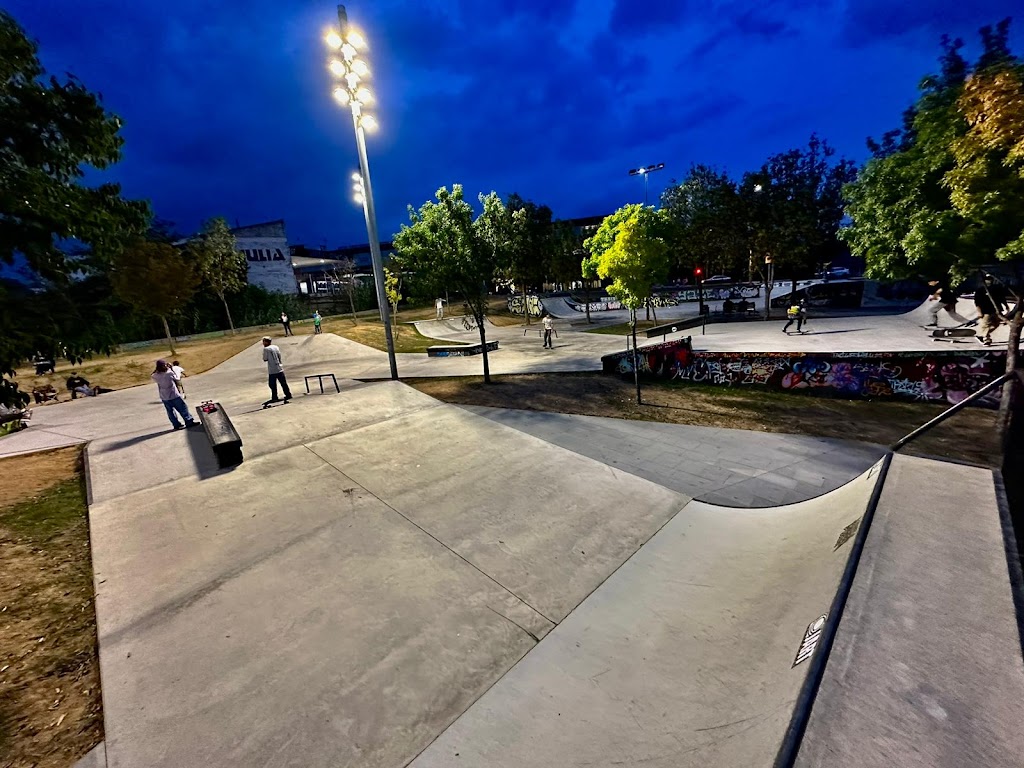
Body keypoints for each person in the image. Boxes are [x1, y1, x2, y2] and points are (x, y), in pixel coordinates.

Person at [151, 360, 197, 430]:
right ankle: (189, 421)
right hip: (174, 394)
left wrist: (157, 370)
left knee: (170, 412)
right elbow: (177, 378)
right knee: (183, 408)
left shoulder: (155, 376)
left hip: (164, 396)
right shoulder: (169, 373)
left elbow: (153, 374)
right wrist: (171, 368)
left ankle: (176, 424)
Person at [974, 273, 1009, 346]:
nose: (989, 281)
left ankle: (983, 335)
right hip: (986, 311)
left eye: (990, 279)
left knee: (996, 324)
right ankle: (986, 339)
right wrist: (979, 312)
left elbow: (1002, 298)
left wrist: (1006, 306)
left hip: (997, 310)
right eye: (987, 279)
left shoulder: (996, 289)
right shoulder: (980, 290)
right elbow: (977, 302)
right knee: (986, 325)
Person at [262, 336, 292, 403]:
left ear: (266, 342)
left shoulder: (266, 349)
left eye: (264, 341)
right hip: (279, 367)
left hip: (272, 370)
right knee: (283, 383)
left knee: (272, 384)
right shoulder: (276, 347)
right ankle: (288, 394)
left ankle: (274, 397)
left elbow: (265, 359)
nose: (263, 343)